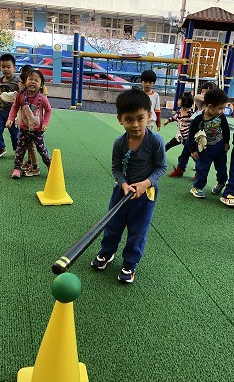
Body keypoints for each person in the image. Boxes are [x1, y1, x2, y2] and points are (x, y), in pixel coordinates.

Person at [90, 88, 167, 284]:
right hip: (121, 192)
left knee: (137, 231)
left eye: (140, 118)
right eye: (129, 120)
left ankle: (130, 264)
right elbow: (116, 168)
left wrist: (145, 184)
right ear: (120, 120)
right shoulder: (119, 143)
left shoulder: (155, 141)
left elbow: (161, 168)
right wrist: (123, 184)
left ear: (149, 115)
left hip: (145, 195)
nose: (135, 125)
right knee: (113, 225)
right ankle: (107, 252)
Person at [6, 70, 53, 179]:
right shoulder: (21, 96)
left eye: (36, 80)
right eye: (30, 79)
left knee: (42, 150)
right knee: (20, 149)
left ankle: (50, 167)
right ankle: (17, 169)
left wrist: (45, 123)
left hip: (38, 130)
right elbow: (15, 107)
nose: (33, 82)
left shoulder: (42, 98)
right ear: (25, 81)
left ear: (41, 85)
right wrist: (10, 119)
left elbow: (49, 110)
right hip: (24, 129)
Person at [187, 88, 231, 199]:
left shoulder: (220, 117)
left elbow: (226, 129)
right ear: (210, 106)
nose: (222, 111)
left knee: (221, 167)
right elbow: (191, 136)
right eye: (220, 108)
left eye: (223, 108)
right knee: (202, 168)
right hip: (204, 149)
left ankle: (221, 182)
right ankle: (197, 187)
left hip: (219, 146)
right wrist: (192, 150)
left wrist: (226, 142)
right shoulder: (198, 119)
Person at [168, 81, 217, 177]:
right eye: (202, 91)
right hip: (191, 133)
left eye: (206, 92)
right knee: (184, 153)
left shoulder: (212, 106)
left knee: (198, 155)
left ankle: (198, 173)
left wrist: (210, 97)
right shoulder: (201, 104)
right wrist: (207, 96)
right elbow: (196, 97)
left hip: (201, 135)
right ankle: (180, 169)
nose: (203, 94)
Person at [0, 54, 19, 159]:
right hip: (1, 111)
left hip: (13, 114)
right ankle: (1, 148)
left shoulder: (17, 82)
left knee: (15, 134)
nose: (6, 69)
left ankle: (18, 150)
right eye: (3, 67)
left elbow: (22, 94)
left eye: (8, 67)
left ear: (14, 68)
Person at [15, 65, 40, 176]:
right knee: (30, 146)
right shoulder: (22, 95)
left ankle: (35, 167)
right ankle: (30, 163)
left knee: (32, 147)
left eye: (19, 82)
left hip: (33, 126)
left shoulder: (32, 96)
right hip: (25, 125)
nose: (18, 84)